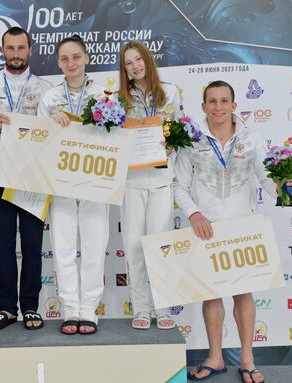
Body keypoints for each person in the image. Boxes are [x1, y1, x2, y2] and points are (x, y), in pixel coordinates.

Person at [174, 81, 272, 383]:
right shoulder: (191, 139)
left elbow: (266, 176)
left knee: (243, 293)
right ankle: (215, 358)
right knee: (212, 295)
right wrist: (195, 213)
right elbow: (179, 185)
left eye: (224, 101)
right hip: (207, 228)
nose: (218, 107)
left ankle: (247, 359)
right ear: (203, 106)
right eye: (212, 101)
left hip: (243, 227)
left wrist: (282, 187)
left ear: (233, 105)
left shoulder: (252, 138)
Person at [0, 26, 52, 331]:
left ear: (30, 50)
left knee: (33, 245)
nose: (16, 54)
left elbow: (52, 137)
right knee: (3, 246)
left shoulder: (47, 89)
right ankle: (6, 308)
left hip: (34, 178)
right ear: (2, 51)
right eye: (10, 48)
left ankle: (31, 307)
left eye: (21, 48)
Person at [37, 35, 108, 335]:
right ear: (58, 62)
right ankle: (69, 309)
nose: (71, 63)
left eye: (76, 57)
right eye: (65, 58)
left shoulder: (105, 95)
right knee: (63, 247)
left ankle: (88, 310)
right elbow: (40, 140)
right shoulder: (49, 98)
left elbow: (114, 138)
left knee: (94, 246)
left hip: (95, 179)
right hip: (62, 181)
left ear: (86, 57)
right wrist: (50, 123)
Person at [117, 40, 182, 330]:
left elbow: (181, 133)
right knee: (134, 246)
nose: (135, 66)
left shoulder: (170, 93)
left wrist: (171, 149)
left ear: (148, 60)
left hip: (161, 180)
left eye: (139, 59)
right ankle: (142, 309)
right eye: (129, 63)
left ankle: (163, 308)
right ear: (125, 69)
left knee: (161, 246)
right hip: (131, 182)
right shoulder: (118, 99)